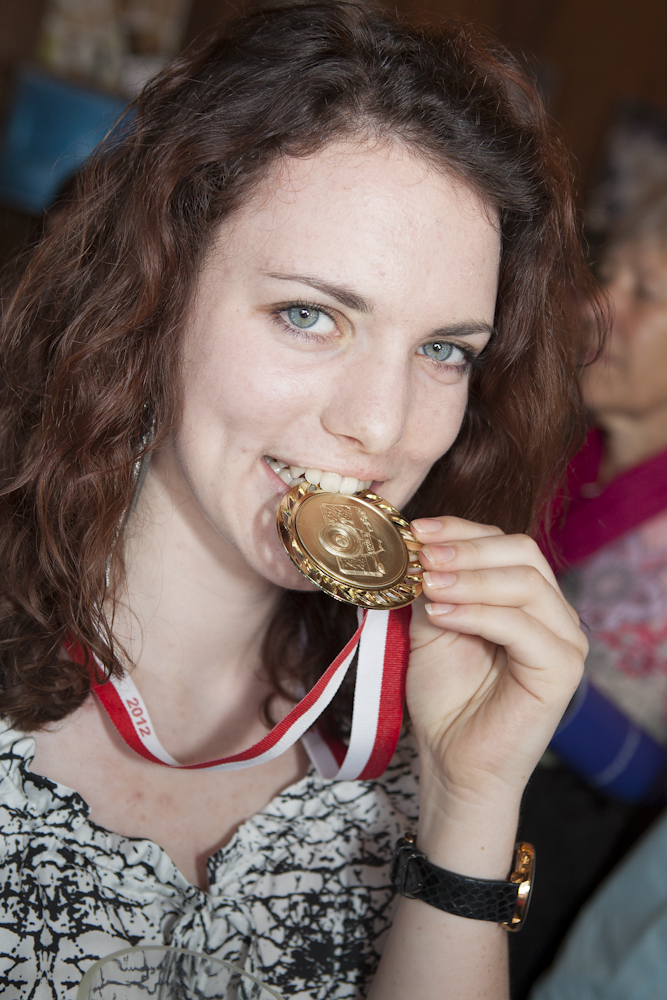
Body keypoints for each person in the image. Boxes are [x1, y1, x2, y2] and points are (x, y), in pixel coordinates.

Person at [0, 2, 595, 998]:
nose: (382, 424)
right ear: (155, 293)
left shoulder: (410, 730)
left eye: (442, 349)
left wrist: (471, 802)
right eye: (309, 315)